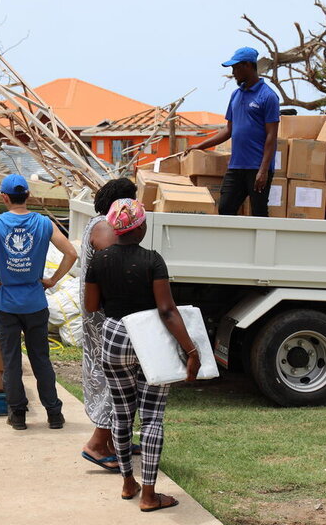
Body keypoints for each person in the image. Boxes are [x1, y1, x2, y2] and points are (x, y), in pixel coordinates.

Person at [85, 198, 200, 512]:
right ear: (141, 226)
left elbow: (91, 306)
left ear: (116, 227)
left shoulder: (100, 260)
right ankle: (149, 495)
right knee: (151, 418)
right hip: (148, 340)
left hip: (113, 338)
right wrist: (191, 350)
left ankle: (127, 483)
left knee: (121, 415)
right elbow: (166, 310)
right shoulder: (153, 260)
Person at [0, 174, 76, 430]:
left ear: (4, 197)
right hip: (35, 302)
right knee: (41, 359)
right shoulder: (43, 223)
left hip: (6, 303)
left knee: (11, 361)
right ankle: (54, 414)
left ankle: (18, 415)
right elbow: (71, 253)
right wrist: (52, 280)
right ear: (28, 196)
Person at [78, 177, 140, 472]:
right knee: (114, 378)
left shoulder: (97, 222)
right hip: (104, 316)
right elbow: (114, 263)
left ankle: (117, 440)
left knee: (113, 374)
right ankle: (97, 444)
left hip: (101, 313)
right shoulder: (104, 227)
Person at [187, 46, 280, 216]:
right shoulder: (236, 95)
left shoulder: (268, 97)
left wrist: (263, 170)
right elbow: (228, 129)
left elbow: (272, 136)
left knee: (259, 213)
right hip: (236, 165)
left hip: (257, 167)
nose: (233, 72)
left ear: (248, 66)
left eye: (236, 67)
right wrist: (200, 146)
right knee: (225, 209)